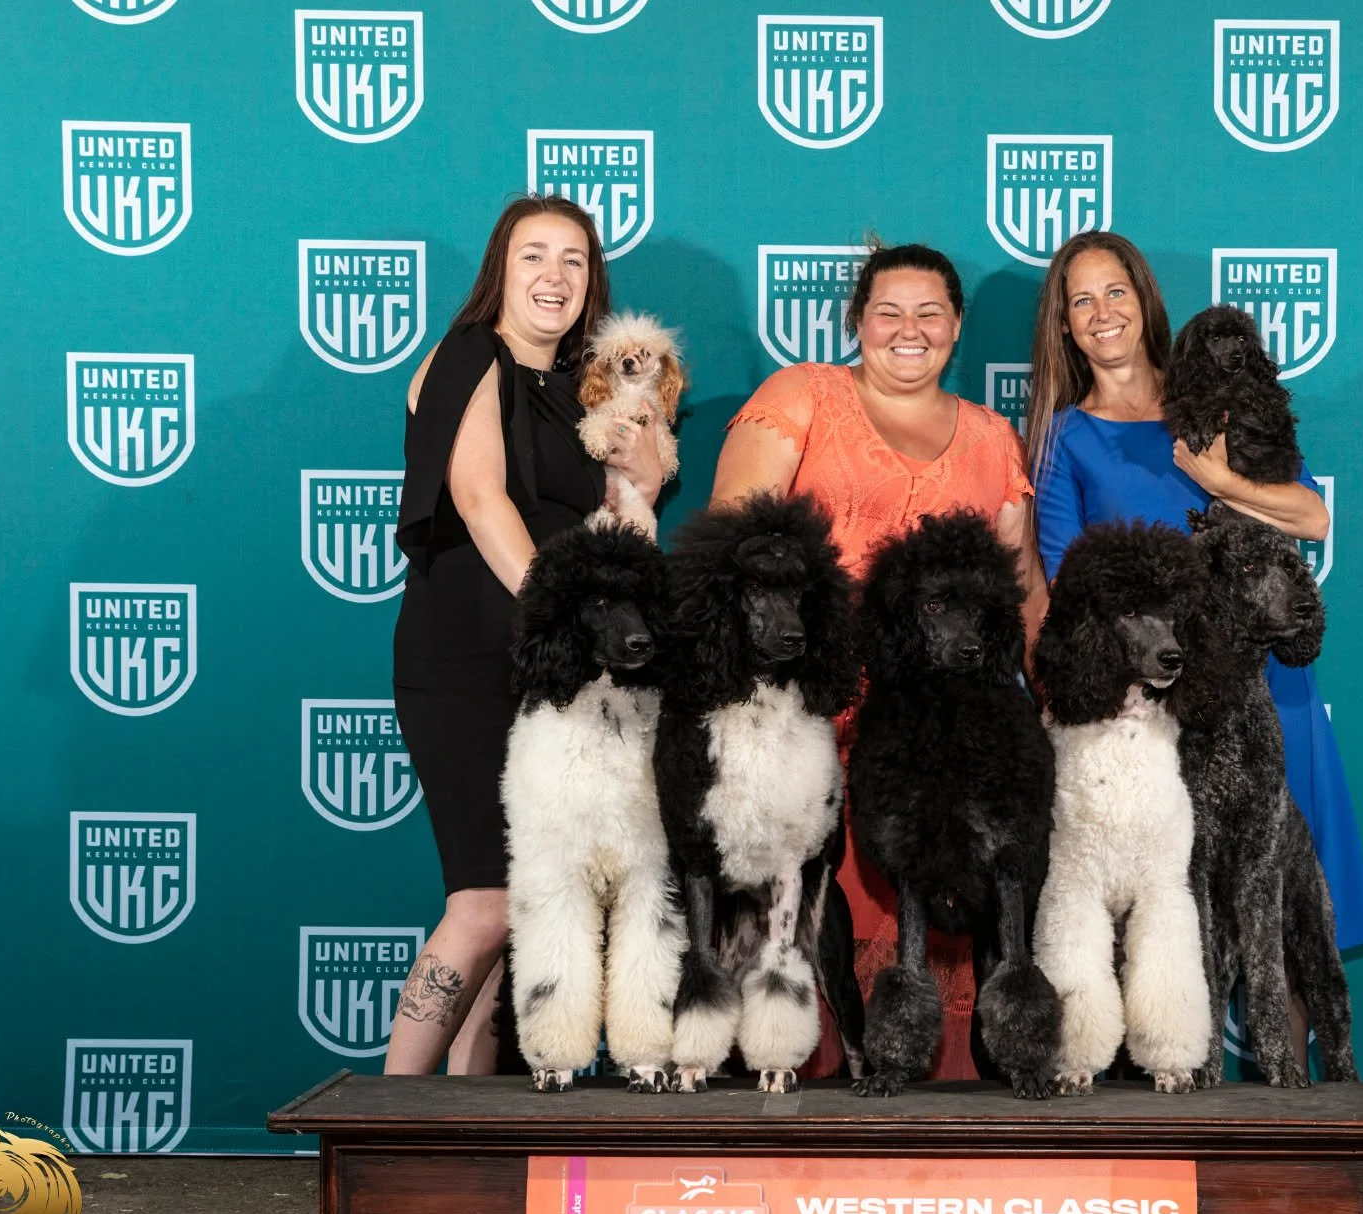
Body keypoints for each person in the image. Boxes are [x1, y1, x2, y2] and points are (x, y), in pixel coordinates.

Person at [710, 240, 1044, 1081]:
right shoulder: (801, 397)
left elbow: (1025, 597)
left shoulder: (993, 439)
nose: (909, 329)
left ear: (957, 326)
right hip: (804, 745)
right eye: (887, 311)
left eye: (929, 313)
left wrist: (1065, 706)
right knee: (807, 972)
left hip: (938, 766)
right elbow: (730, 554)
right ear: (856, 320)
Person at [1026, 229, 1363, 1002]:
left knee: (1287, 920)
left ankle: (1294, 1080)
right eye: (1081, 301)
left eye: (1115, 291)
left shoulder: (1216, 404)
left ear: (1144, 299)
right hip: (1155, 709)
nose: (1102, 313)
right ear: (1064, 325)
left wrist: (1220, 481)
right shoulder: (1066, 439)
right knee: (1161, 933)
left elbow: (1312, 516)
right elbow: (1066, 583)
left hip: (1265, 690)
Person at [384, 195, 667, 1075]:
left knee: (532, 905)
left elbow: (629, 520)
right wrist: (563, 607)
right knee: (485, 902)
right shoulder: (472, 353)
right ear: (499, 271)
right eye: (534, 256)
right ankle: (386, 1119)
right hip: (467, 659)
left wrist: (646, 472)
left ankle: (467, 1126)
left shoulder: (587, 393)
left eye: (574, 260)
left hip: (557, 671)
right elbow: (478, 496)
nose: (555, 276)